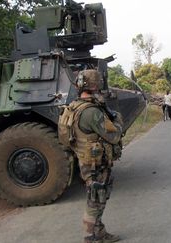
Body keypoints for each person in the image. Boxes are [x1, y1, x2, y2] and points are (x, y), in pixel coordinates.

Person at [59, 70, 123, 243]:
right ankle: (91, 237)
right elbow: (114, 135)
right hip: (96, 164)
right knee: (95, 201)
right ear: (95, 85)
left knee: (96, 198)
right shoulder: (91, 112)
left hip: (86, 160)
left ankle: (99, 232)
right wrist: (117, 119)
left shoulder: (75, 106)